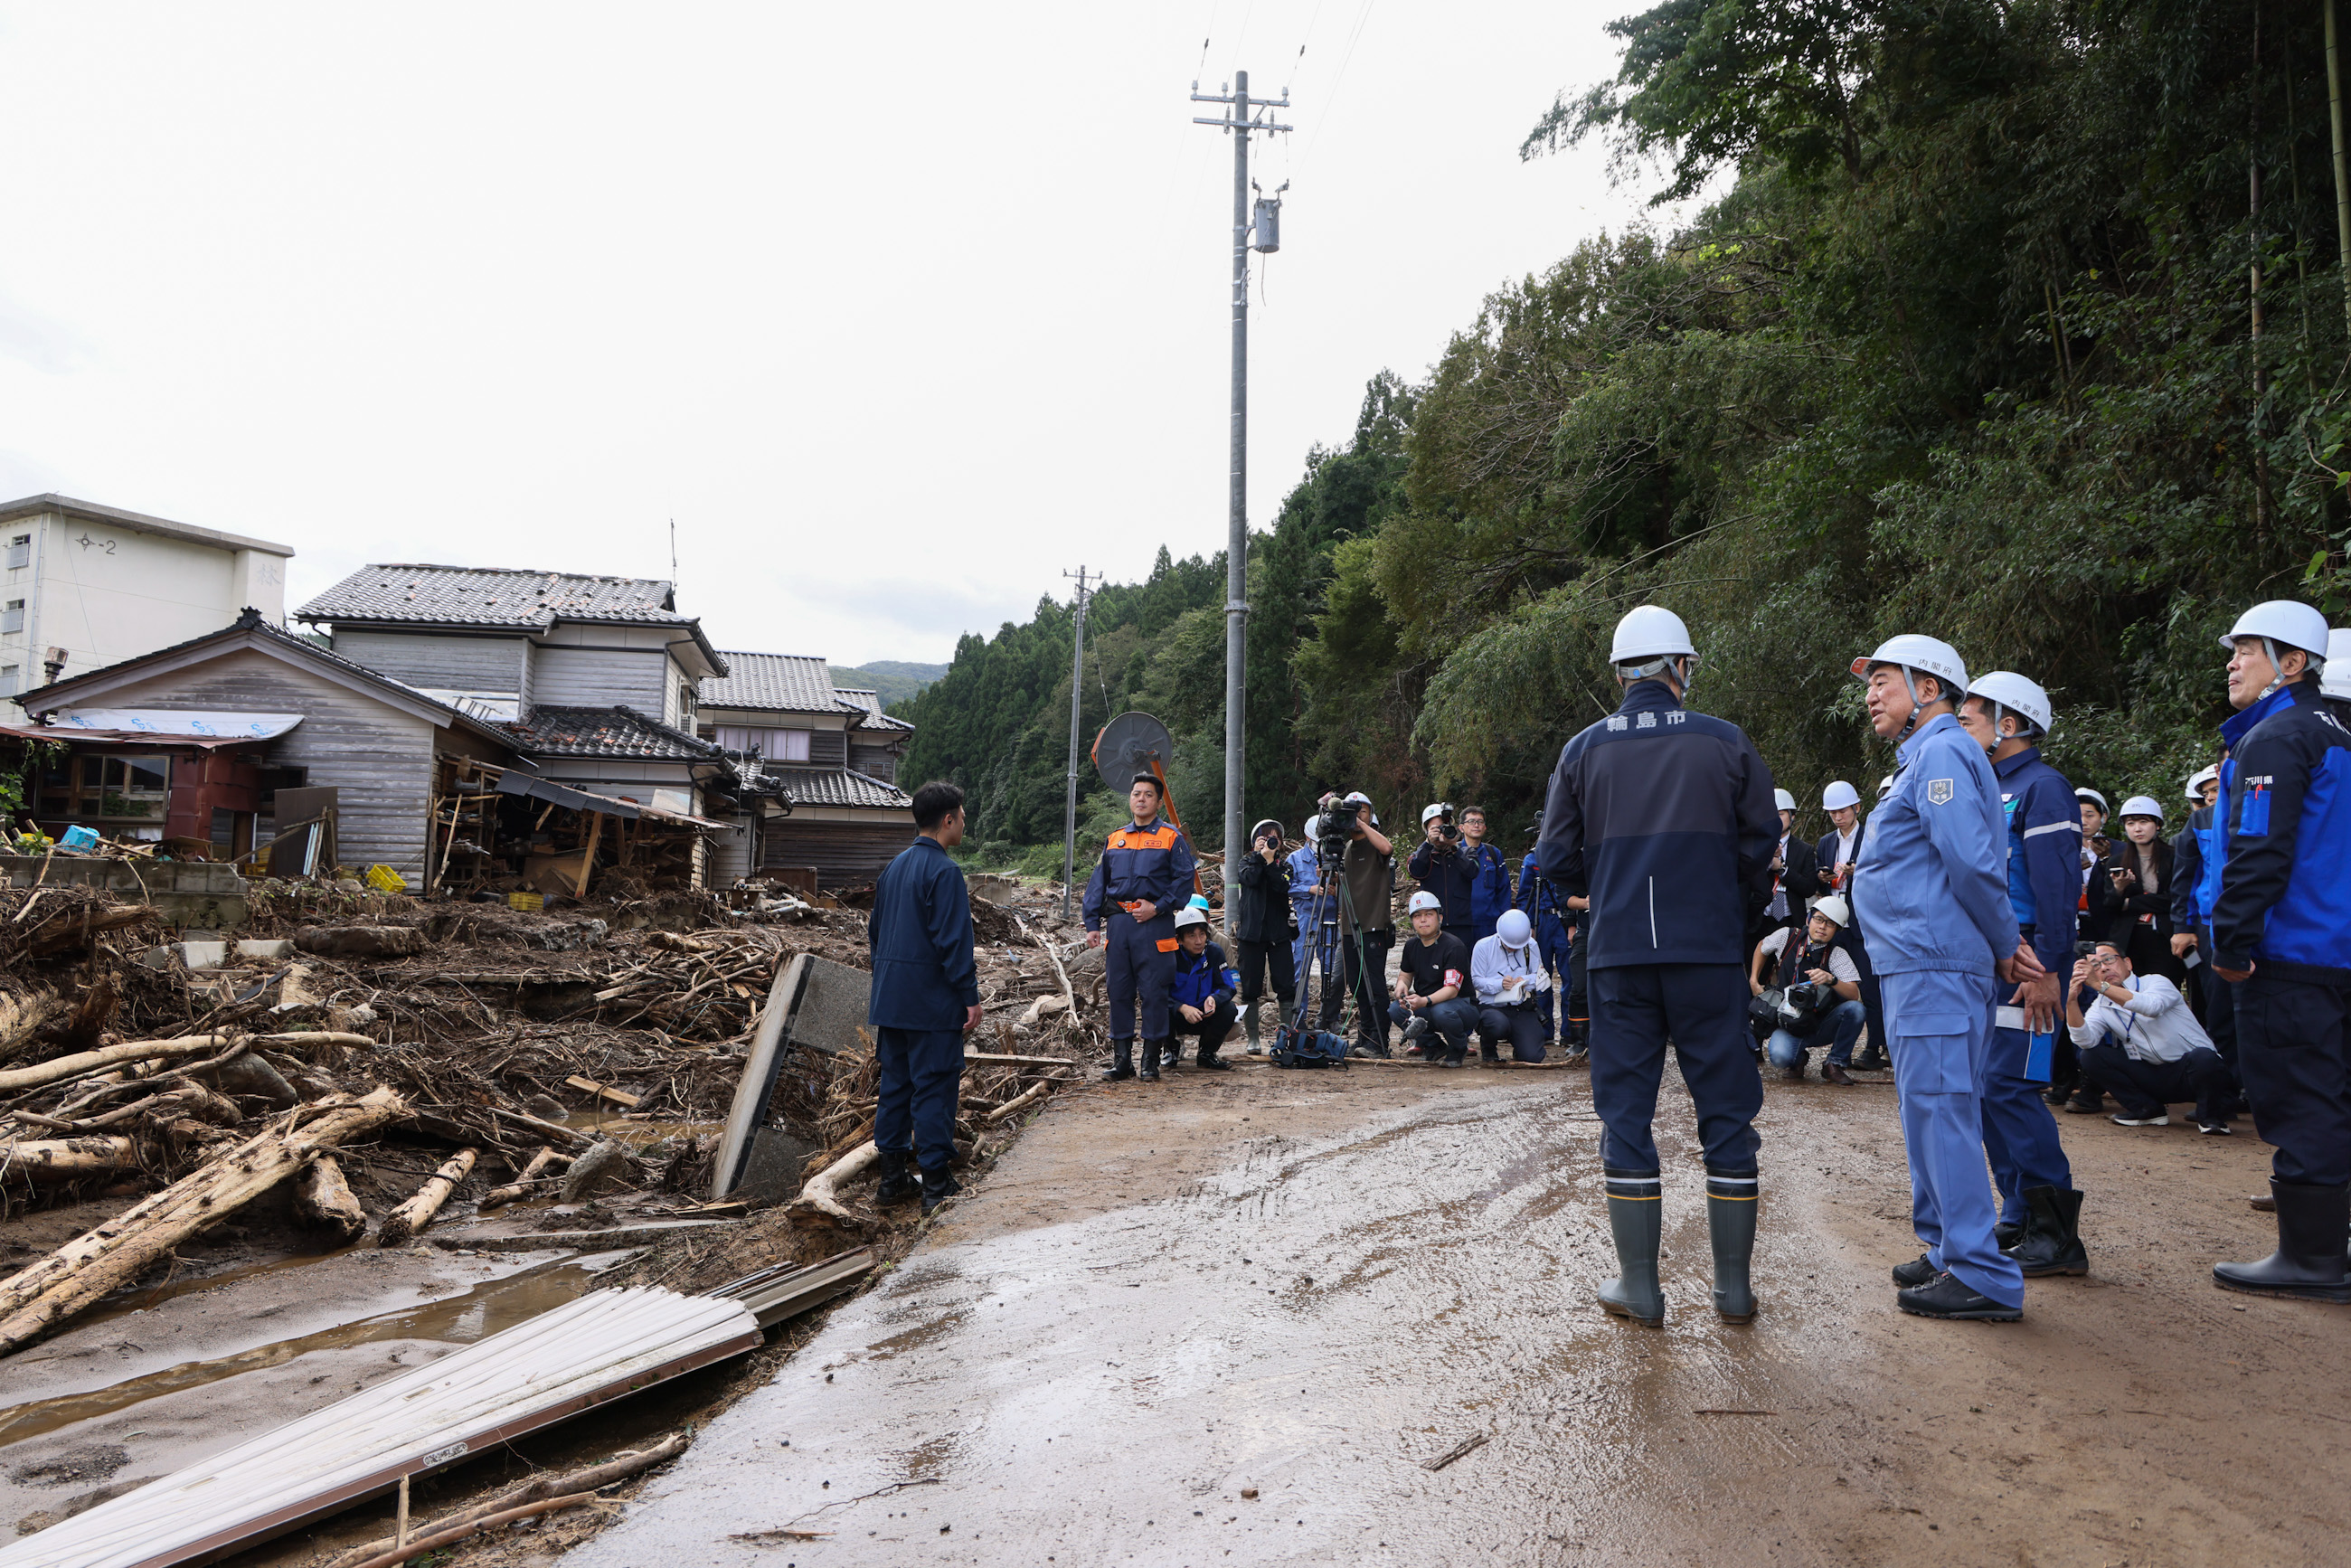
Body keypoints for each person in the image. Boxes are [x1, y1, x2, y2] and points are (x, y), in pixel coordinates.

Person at [1539, 604, 1779, 1327]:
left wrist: (1610, 879)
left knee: (1627, 1116)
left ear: (1620, 673)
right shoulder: (1727, 742)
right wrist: (1716, 894)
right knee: (1727, 1115)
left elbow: (1553, 858)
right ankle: (1732, 1291)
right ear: (1681, 668)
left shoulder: (1583, 750)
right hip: (1706, 953)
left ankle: (1640, 1288)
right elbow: (1760, 841)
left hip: (1618, 960)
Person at [1852, 634, 2044, 1322]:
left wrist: (2003, 942)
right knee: (1926, 1110)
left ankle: (1983, 1274)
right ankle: (1946, 1247)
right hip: (1915, 960)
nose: (1871, 696)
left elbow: (1969, 861)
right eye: (1868, 685)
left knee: (1942, 1111)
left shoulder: (1942, 752)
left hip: (1934, 961)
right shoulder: (1924, 759)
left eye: (1883, 682)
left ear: (1928, 688)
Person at [2206, 601, 2351, 1302]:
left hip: (2292, 953)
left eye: (2248, 650)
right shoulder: (2341, 735)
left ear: (2292, 664)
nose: (2232, 661)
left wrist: (2231, 941)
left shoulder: (2275, 738)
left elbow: (2259, 851)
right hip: (2340, 952)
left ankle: (2314, 1258)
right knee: (2339, 1095)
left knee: (2303, 1102)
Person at [1954, 671, 2091, 1278]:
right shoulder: (1987, 786)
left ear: (2008, 724)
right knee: (1987, 1089)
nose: (1962, 727)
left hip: (2033, 961)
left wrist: (2048, 972)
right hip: (1997, 961)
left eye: (1971, 718)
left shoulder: (2044, 788)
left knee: (2012, 1086)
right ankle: (2017, 1213)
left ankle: (2056, 1234)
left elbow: (2060, 889)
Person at [865, 780, 983, 1216]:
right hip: (931, 1004)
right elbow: (953, 943)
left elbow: (875, 934)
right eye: (963, 815)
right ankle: (935, 1181)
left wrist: (885, 983)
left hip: (891, 1000)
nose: (965, 822)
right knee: (934, 1086)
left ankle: (892, 1177)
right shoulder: (946, 872)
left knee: (896, 1086)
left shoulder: (893, 868)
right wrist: (968, 996)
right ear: (948, 819)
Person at [1081, 772, 1197, 1084]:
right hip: (1119, 925)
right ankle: (1122, 1061)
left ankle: (1150, 1061)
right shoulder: (1115, 839)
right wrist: (1092, 923)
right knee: (1118, 991)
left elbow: (1184, 881)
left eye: (1148, 794)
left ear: (1158, 802)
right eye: (1136, 794)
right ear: (1130, 799)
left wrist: (1158, 906)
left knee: (1154, 992)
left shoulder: (1172, 838)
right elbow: (1097, 884)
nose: (1141, 799)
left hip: (1155, 925)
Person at [2067, 940, 2233, 1132]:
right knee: (2091, 1055)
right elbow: (2085, 1040)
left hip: (2194, 1072)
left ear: (2127, 963)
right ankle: (2147, 1110)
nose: (2103, 968)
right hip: (2155, 1076)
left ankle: (2211, 1117)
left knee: (2204, 1057)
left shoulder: (2155, 981)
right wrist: (2071, 1002)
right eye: (2095, 965)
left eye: (2108, 960)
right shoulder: (2101, 1004)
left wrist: (2100, 986)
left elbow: (2151, 1007)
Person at [1749, 895, 1865, 1083]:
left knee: (1856, 1010)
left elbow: (1854, 995)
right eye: (1818, 919)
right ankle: (1798, 1058)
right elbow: (1762, 946)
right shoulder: (1788, 936)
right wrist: (1754, 980)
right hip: (1788, 1020)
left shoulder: (1836, 953)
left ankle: (1834, 1063)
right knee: (1780, 1057)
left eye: (1830, 923)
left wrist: (1831, 979)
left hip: (1820, 1022)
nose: (1822, 927)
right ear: (1808, 919)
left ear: (1837, 930)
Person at [1816, 780, 1887, 1072]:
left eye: (1842, 810)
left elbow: (1885, 873)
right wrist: (1821, 877)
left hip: (1861, 923)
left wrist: (1859, 872)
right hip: (1834, 921)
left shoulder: (1872, 837)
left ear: (1857, 808)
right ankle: (1835, 1050)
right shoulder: (1826, 843)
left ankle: (1874, 1047)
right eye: (1832, 812)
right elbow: (1818, 880)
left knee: (1869, 987)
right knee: (1828, 984)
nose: (1837, 816)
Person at [1332, 791, 1397, 1056]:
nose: (1357, 815)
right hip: (1349, 927)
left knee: (1375, 985)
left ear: (1371, 815)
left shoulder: (1374, 844)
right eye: (1352, 811)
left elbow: (1388, 849)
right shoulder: (1345, 849)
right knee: (1357, 985)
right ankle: (1365, 1037)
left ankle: (1380, 1042)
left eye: (1363, 810)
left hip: (1372, 925)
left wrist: (1360, 825)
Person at [1230, 818, 1297, 1056]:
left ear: (1280, 842)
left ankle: (1286, 1036)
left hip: (1278, 933)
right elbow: (1250, 879)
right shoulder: (1246, 862)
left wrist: (1270, 862)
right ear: (1254, 842)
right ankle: (1253, 1039)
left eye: (1274, 837)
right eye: (1264, 836)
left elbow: (1281, 886)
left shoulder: (1285, 867)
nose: (1269, 840)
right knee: (1250, 987)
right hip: (1251, 934)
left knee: (1285, 986)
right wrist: (1261, 857)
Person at [1391, 890, 1479, 1065]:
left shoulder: (1454, 946)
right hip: (1428, 1004)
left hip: (1460, 1005)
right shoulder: (1411, 946)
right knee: (1396, 1009)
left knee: (1442, 1012)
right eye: (1417, 916)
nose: (1423, 920)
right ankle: (1434, 1046)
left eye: (1428, 914)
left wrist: (1424, 1001)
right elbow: (1406, 974)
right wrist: (1401, 985)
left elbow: (1452, 990)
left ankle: (1458, 1047)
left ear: (1439, 918)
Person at [2107, 796, 2185, 985]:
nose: (2137, 829)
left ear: (2157, 825)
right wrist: (2118, 889)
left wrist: (2130, 903)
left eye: (2144, 822)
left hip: (2166, 937)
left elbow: (2174, 899)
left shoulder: (2175, 858)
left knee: (2165, 991)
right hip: (2130, 939)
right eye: (2131, 823)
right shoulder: (2116, 862)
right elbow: (2109, 905)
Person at [1472, 908, 1551, 1064]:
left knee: (1533, 1056)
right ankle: (1488, 1047)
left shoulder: (1531, 946)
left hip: (1520, 1006)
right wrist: (1499, 984)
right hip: (1491, 1006)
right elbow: (1476, 980)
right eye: (1509, 945)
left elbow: (1541, 978)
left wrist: (1524, 980)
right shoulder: (1483, 947)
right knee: (1497, 1024)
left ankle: (1520, 1045)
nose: (1513, 949)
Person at [1749, 788, 1820, 952]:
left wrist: (1782, 869)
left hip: (1791, 921)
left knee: (1788, 973)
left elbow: (1809, 888)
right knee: (1757, 973)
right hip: (1760, 921)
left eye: (1780, 814)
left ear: (1792, 816)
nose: (1775, 819)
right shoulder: (1754, 846)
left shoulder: (1804, 850)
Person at [1166, 905, 1238, 1072]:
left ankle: (1207, 1054)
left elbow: (1228, 987)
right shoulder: (1170, 956)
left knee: (1229, 1009)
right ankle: (1171, 1049)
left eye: (1202, 934)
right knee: (1156, 1010)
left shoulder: (1214, 952)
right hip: (1176, 1015)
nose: (1199, 941)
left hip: (1204, 1014)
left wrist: (1214, 998)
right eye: (1192, 936)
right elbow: (1157, 993)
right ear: (1180, 939)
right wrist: (1181, 1008)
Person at [1407, 803, 1478, 949]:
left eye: (1443, 828)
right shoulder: (1424, 855)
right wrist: (1427, 844)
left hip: (1461, 924)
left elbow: (1472, 872)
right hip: (1433, 925)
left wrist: (1454, 847)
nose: (1440, 833)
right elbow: (1415, 871)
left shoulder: (1465, 852)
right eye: (1435, 829)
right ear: (1426, 831)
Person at [1286, 829, 1336, 1033]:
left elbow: (1350, 887)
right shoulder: (1295, 858)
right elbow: (1285, 885)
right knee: (1301, 968)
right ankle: (1299, 1019)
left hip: (1329, 917)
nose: (1320, 846)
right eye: (1317, 841)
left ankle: (1330, 1017)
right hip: (1305, 917)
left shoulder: (1334, 858)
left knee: (1331, 970)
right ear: (1308, 838)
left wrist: (1336, 888)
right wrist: (1309, 889)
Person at [1459, 806, 1515, 946]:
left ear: (1485, 828)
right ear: (1461, 828)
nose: (1476, 825)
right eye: (1471, 821)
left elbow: (1504, 890)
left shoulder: (1494, 854)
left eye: (1480, 822)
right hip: (1461, 924)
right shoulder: (1454, 853)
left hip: (1489, 925)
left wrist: (1504, 921)